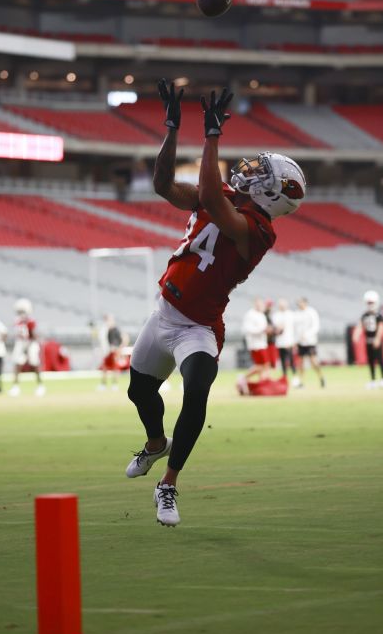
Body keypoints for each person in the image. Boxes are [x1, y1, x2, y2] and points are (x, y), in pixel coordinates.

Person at [122, 79, 306, 527]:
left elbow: (211, 200)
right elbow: (164, 183)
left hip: (198, 328)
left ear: (272, 195)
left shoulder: (259, 230)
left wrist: (211, 136)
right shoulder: (221, 196)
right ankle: (153, 443)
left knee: (197, 390)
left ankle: (168, 484)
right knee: (138, 392)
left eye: (263, 174)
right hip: (164, 311)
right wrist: (171, 128)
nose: (252, 172)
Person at [8, 298, 45, 397]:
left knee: (34, 363)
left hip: (30, 343)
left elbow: (32, 334)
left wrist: (32, 340)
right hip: (22, 343)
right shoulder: (18, 321)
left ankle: (40, 385)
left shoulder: (28, 321)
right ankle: (16, 387)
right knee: (18, 364)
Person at [239, 297, 272, 394]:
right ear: (255, 304)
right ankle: (244, 378)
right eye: (258, 304)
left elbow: (264, 328)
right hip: (255, 344)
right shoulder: (250, 314)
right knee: (263, 365)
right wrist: (262, 330)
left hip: (262, 343)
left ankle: (262, 384)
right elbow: (247, 329)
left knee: (263, 366)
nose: (260, 306)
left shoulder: (261, 314)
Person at [294, 296, 325, 388]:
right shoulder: (297, 314)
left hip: (310, 342)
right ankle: (301, 381)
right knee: (301, 362)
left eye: (301, 302)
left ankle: (321, 377)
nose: (300, 304)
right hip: (300, 342)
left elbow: (316, 326)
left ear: (305, 303)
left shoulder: (311, 312)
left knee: (313, 362)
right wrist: (296, 340)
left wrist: (307, 335)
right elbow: (296, 328)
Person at [361, 290, 383, 389]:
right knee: (370, 360)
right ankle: (373, 380)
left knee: (380, 359)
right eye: (369, 302)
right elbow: (361, 325)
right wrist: (357, 333)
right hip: (368, 340)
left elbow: (381, 327)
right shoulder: (365, 315)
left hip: (376, 340)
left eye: (371, 302)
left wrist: (377, 338)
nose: (370, 304)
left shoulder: (379, 315)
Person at [98, 313, 127, 390]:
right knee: (105, 367)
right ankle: (104, 384)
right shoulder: (108, 330)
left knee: (115, 368)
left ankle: (114, 384)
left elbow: (125, 338)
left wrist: (120, 349)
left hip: (115, 351)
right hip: (109, 351)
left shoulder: (116, 330)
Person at [271, 298, 298, 383]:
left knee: (291, 360)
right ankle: (284, 377)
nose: (282, 306)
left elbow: (294, 328)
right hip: (280, 342)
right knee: (282, 360)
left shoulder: (291, 314)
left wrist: (294, 341)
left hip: (289, 341)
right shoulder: (276, 315)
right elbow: (275, 328)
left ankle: (295, 377)